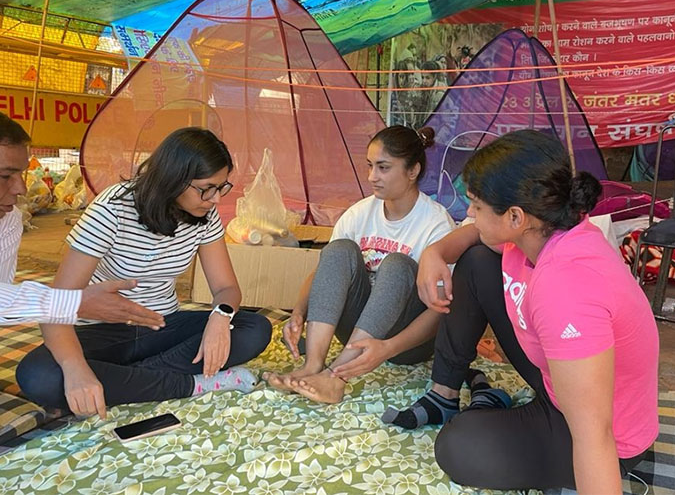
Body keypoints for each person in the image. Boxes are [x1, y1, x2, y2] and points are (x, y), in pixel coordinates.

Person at [385, 130, 659, 492]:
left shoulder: (565, 288)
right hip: (559, 382)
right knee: (477, 262)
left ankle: (506, 421)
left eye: (477, 206)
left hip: (607, 435)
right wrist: (434, 254)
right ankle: (444, 394)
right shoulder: (543, 229)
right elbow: (473, 237)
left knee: (458, 446)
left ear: (515, 217)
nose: (468, 214)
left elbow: (595, 432)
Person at [16, 127, 272, 419]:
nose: (215, 199)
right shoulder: (112, 209)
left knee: (254, 328)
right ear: (174, 179)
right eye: (206, 188)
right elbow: (56, 304)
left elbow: (226, 288)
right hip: (101, 332)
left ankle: (124, 381)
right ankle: (191, 384)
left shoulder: (205, 215)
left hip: (163, 325)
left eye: (222, 187)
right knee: (38, 375)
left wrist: (220, 317)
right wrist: (76, 370)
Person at [266, 126, 455, 404]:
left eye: (383, 167)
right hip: (358, 333)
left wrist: (388, 348)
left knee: (398, 265)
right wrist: (298, 312)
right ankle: (313, 365)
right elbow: (325, 272)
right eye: (369, 166)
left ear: (412, 171)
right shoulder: (359, 213)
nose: (372, 177)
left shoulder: (436, 223)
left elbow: (440, 312)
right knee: (338, 249)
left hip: (407, 343)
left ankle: (336, 377)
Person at [0, 112, 164, 328]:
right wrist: (72, 303)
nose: (21, 189)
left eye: (21, 174)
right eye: (5, 176)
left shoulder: (9, 219)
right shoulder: (109, 210)